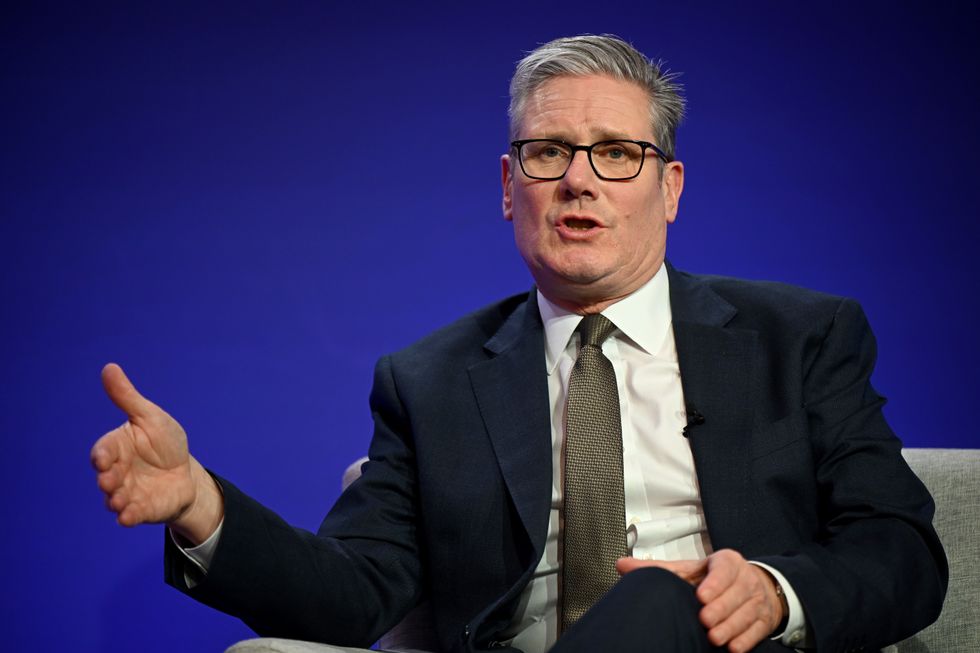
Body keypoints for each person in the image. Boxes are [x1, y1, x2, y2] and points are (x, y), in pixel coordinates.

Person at [91, 35, 947, 653]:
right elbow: (352, 595)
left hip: (726, 647)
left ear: (670, 187)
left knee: (655, 597)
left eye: (616, 152)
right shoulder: (431, 381)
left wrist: (772, 590)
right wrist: (200, 499)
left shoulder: (799, 339)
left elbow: (903, 551)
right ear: (511, 188)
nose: (579, 178)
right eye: (547, 153)